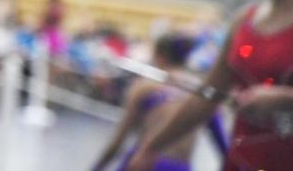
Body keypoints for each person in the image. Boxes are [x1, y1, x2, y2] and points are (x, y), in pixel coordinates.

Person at [129, 0, 293, 171]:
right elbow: (206, 97)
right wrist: (151, 148)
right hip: (241, 162)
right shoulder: (243, 22)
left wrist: (284, 99)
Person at [89, 33, 227, 171]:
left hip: (145, 162)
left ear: (160, 58)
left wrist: (96, 168)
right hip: (179, 167)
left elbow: (118, 142)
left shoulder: (145, 87)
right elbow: (223, 145)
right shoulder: (203, 93)